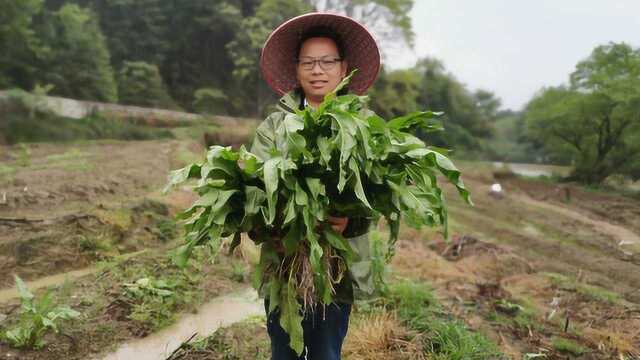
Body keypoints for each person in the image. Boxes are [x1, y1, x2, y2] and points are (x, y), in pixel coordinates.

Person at [249, 12, 381, 360]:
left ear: (343, 67)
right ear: (296, 69)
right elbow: (252, 190)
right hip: (283, 263)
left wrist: (351, 220)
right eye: (308, 62)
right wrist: (269, 226)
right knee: (283, 350)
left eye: (326, 61)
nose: (317, 70)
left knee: (325, 352)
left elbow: (380, 192)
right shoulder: (274, 127)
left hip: (336, 269)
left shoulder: (365, 126)